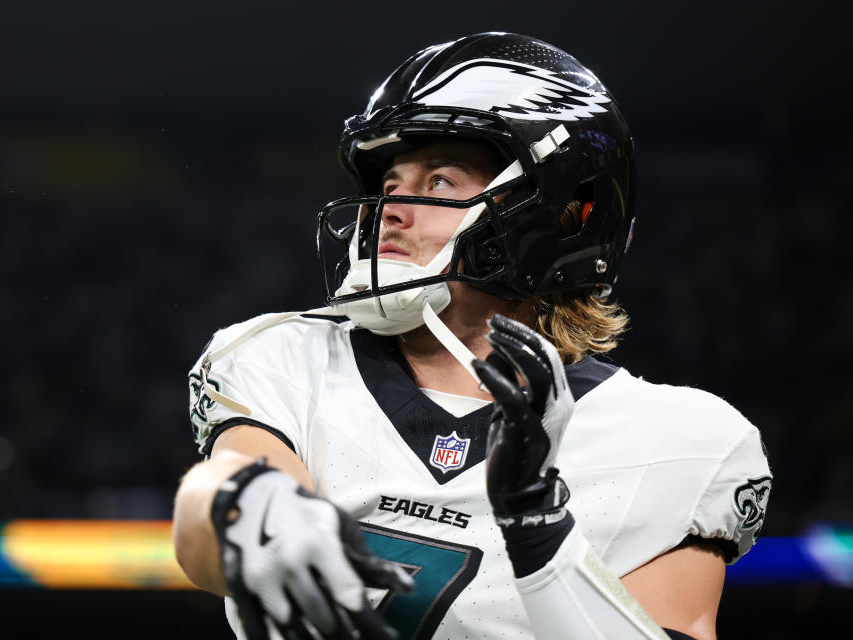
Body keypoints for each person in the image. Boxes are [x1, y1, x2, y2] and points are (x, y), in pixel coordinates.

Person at [172, 32, 771, 640]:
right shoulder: (288, 358)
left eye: (438, 183)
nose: (392, 209)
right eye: (388, 185)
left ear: (562, 213)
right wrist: (242, 506)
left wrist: (543, 537)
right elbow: (217, 507)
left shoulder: (678, 439)